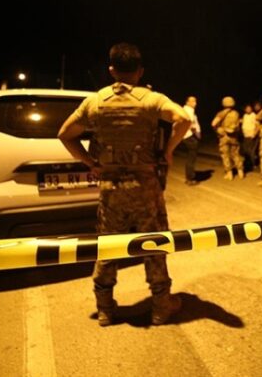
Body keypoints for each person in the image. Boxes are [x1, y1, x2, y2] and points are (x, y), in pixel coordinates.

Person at [58, 42, 191, 327]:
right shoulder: (151, 99)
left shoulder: (95, 102)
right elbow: (183, 118)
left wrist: (90, 163)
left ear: (111, 70)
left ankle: (105, 309)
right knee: (153, 244)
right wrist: (168, 150)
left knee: (108, 247)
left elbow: (65, 134)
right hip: (145, 186)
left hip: (111, 188)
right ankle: (160, 306)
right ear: (140, 71)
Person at [211, 96, 244, 180]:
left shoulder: (221, 113)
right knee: (236, 154)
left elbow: (213, 124)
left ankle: (229, 174)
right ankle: (240, 172)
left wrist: (218, 129)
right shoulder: (236, 113)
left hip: (224, 137)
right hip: (234, 137)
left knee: (225, 155)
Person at [182, 96, 201, 185]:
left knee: (190, 157)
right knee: (191, 157)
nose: (195, 103)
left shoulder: (186, 110)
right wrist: (196, 134)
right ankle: (190, 178)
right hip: (189, 136)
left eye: (195, 101)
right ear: (187, 102)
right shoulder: (188, 110)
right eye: (193, 101)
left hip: (186, 136)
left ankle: (189, 176)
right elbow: (189, 123)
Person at [240, 104, 258, 171]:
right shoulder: (245, 115)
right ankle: (247, 163)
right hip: (246, 135)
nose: (248, 110)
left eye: (249, 108)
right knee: (245, 150)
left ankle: (253, 164)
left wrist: (255, 134)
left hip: (252, 135)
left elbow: (257, 125)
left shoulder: (254, 115)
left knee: (251, 150)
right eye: (247, 108)